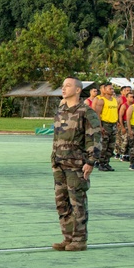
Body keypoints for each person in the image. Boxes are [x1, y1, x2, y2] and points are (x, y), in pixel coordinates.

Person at [51, 77, 101, 252]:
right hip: (59, 163)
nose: (64, 89)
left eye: (68, 86)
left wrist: (90, 162)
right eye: (63, 86)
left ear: (78, 90)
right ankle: (68, 237)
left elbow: (94, 138)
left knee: (77, 202)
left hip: (76, 165)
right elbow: (57, 137)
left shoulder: (86, 112)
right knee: (61, 202)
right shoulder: (61, 110)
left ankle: (79, 239)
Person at [92, 82, 118, 171]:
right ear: (105, 90)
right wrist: (100, 126)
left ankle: (107, 162)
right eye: (110, 89)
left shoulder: (114, 100)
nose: (112, 90)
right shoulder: (101, 100)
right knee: (104, 145)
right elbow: (97, 114)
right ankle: (101, 163)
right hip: (105, 124)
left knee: (111, 146)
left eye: (112, 88)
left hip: (113, 125)